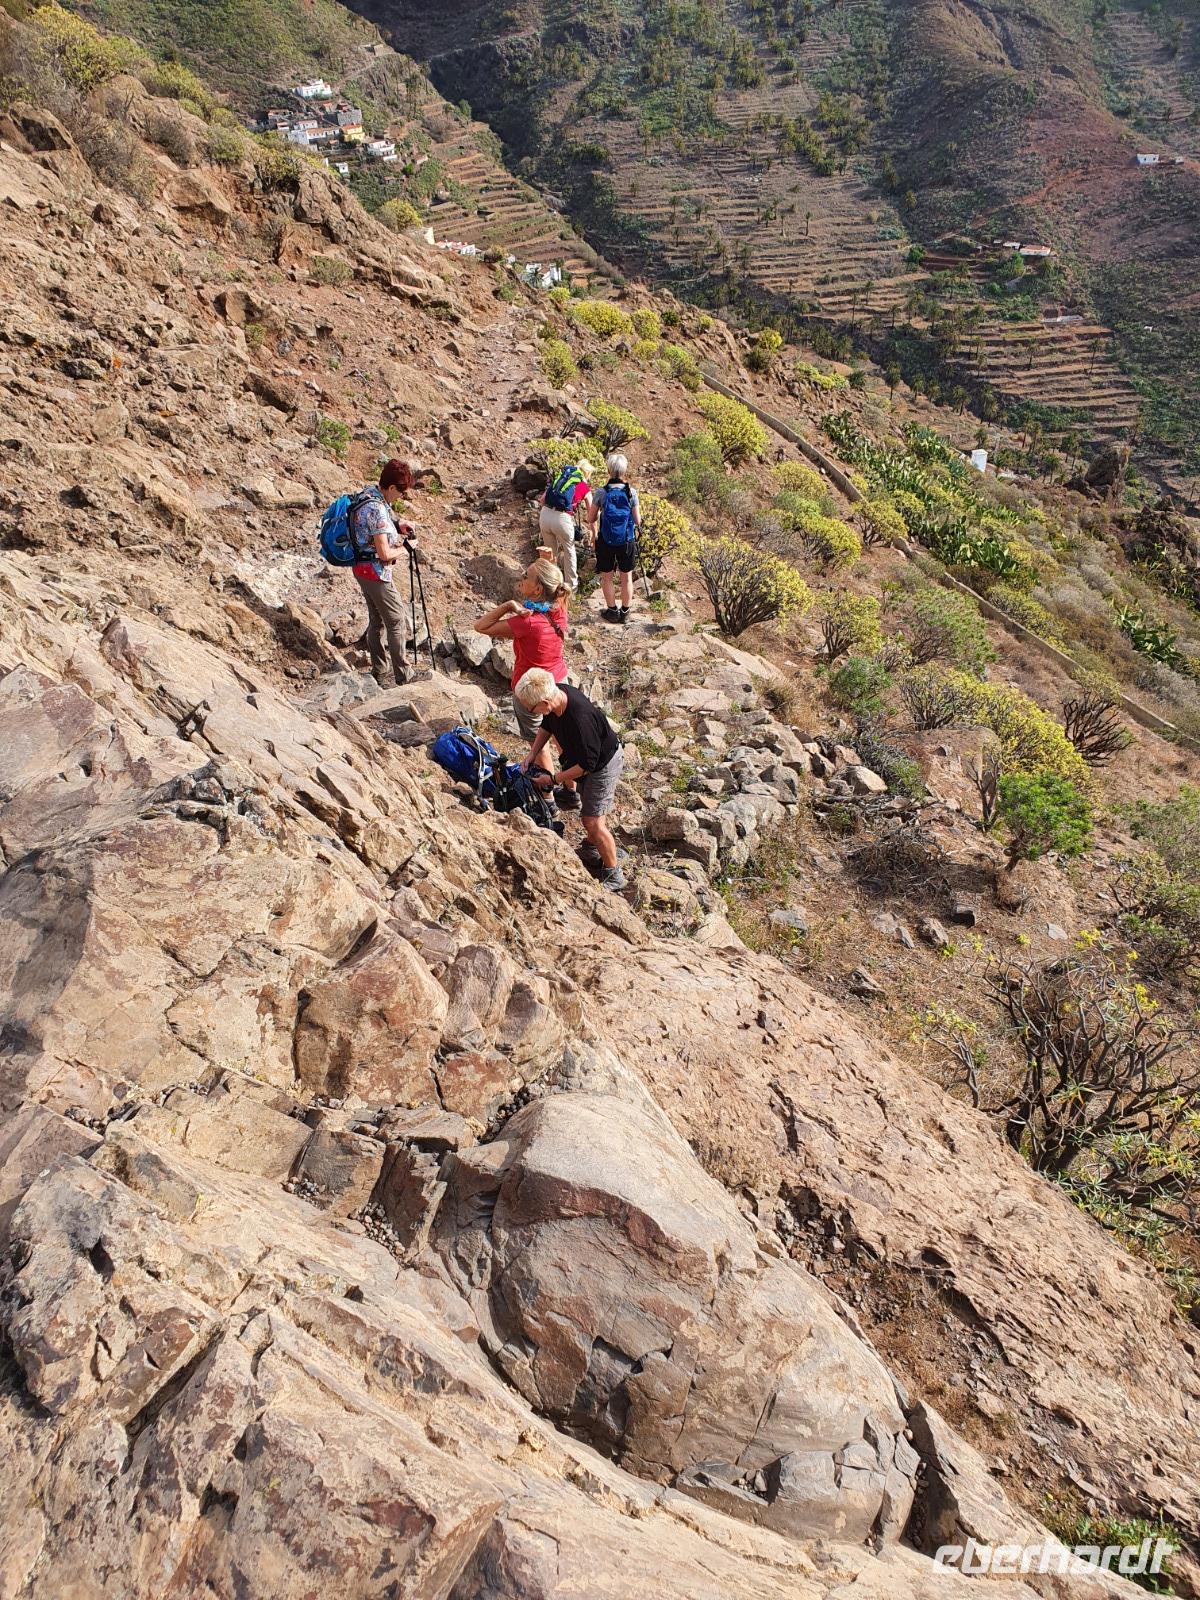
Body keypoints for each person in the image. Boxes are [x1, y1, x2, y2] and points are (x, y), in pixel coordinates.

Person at [515, 667, 626, 892]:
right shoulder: (558, 695)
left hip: (602, 765)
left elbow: (587, 766)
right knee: (590, 812)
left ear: (545, 702)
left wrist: (553, 779)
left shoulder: (579, 719)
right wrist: (532, 754)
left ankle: (614, 874)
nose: (530, 711)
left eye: (531, 708)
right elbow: (547, 726)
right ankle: (595, 847)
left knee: (592, 821)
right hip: (588, 761)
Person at [474, 559, 574, 799]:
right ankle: (572, 791)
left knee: (538, 744)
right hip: (560, 683)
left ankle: (547, 798)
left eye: (526, 576)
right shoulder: (559, 609)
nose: (521, 577)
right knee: (562, 739)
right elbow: (554, 584)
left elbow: (481, 626)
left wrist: (509, 605)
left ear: (538, 589)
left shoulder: (527, 621)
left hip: (531, 690)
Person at [352, 458, 420, 686]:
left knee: (377, 619)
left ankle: (380, 669)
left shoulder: (369, 493)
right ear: (391, 487)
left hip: (360, 569)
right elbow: (384, 553)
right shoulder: (377, 510)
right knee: (396, 619)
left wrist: (398, 524)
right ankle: (403, 675)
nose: (401, 497)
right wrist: (406, 548)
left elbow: (374, 524)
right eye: (400, 492)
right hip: (375, 573)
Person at [588, 452, 641, 625]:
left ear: (609, 470)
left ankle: (612, 611)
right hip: (626, 540)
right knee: (626, 577)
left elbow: (590, 518)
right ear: (624, 471)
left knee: (607, 577)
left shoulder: (601, 493)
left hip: (606, 540)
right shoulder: (631, 492)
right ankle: (625, 612)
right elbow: (637, 520)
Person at [537, 457, 594, 593]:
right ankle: (571, 588)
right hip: (562, 519)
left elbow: (542, 500)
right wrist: (594, 533)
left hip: (545, 515)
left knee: (550, 552)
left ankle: (551, 586)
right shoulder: (584, 486)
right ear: (587, 474)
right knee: (569, 552)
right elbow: (592, 514)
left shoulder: (561, 479)